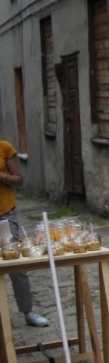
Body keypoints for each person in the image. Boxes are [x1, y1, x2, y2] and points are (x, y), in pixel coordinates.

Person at [0, 139, 49, 327]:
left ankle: (28, 311)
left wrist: (1, 176)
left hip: (5, 214)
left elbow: (18, 179)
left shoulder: (4, 148)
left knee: (15, 263)